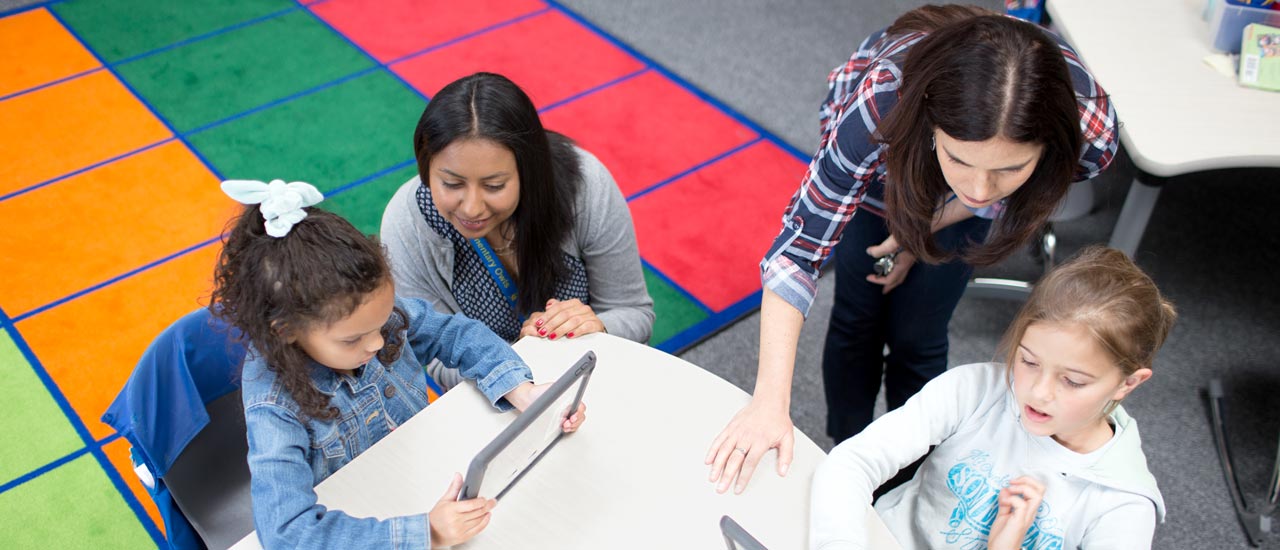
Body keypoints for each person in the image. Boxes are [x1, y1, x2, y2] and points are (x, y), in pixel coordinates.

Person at [706, 5, 1119, 494]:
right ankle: (848, 444)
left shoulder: (1090, 131)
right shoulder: (882, 106)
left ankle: (911, 466)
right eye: (960, 159)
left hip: (952, 209)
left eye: (1009, 168)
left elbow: (1013, 190)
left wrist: (925, 225)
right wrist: (769, 403)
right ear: (933, 126)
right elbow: (797, 251)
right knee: (857, 314)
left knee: (919, 334)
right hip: (884, 167)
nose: (982, 187)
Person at [211, 179, 585, 549]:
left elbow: (452, 334)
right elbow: (287, 533)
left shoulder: (368, 316)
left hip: (419, 477)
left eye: (382, 320)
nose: (377, 341)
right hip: (366, 525)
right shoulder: (275, 407)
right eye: (352, 339)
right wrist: (428, 534)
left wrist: (520, 389)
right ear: (287, 330)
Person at [810, 246, 1174, 549]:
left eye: (1073, 381)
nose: (1038, 392)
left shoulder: (1123, 505)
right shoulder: (977, 390)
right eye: (1028, 360)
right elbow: (853, 462)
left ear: (1127, 383)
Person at [381, 72, 654, 354]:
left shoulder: (585, 186)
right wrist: (516, 365)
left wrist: (597, 326)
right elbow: (438, 352)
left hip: (594, 366)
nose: (472, 208)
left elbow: (634, 312)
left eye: (494, 185)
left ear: (528, 171)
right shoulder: (408, 223)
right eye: (452, 184)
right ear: (425, 170)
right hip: (496, 394)